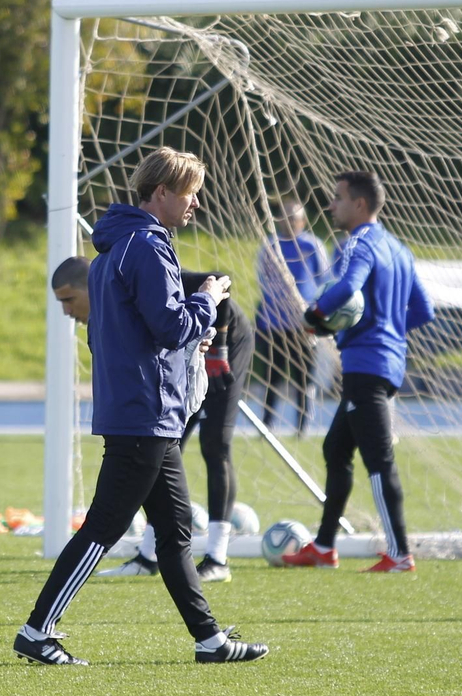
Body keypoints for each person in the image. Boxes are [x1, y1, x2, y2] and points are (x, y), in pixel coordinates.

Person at [14, 147, 269, 666]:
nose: (194, 204)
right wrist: (210, 298)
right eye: (189, 194)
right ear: (160, 194)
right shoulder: (147, 245)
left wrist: (184, 343)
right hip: (145, 412)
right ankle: (37, 630)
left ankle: (210, 640)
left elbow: (137, 333)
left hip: (145, 410)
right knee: (104, 528)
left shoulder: (115, 248)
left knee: (174, 533)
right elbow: (172, 325)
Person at [281, 170, 434, 574]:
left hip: (367, 365)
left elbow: (348, 288)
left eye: (337, 198)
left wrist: (314, 314)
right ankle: (324, 546)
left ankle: (400, 555)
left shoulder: (358, 243)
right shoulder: (399, 249)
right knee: (336, 450)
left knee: (379, 460)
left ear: (360, 205)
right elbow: (423, 310)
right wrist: (385, 326)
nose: (330, 205)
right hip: (384, 363)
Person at [96, 266, 256, 583]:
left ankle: (217, 559)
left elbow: (221, 278)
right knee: (166, 445)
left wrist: (219, 344)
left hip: (227, 345)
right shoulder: (114, 300)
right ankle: (148, 555)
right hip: (190, 351)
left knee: (215, 445)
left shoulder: (148, 272)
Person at [254, 198, 331, 436]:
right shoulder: (270, 245)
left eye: (294, 218)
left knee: (304, 377)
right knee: (272, 376)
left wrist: (317, 311)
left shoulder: (312, 246)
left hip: (304, 323)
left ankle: (303, 427)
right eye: (284, 217)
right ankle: (266, 425)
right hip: (273, 323)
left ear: (303, 221)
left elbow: (324, 280)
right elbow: (262, 278)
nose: (289, 222)